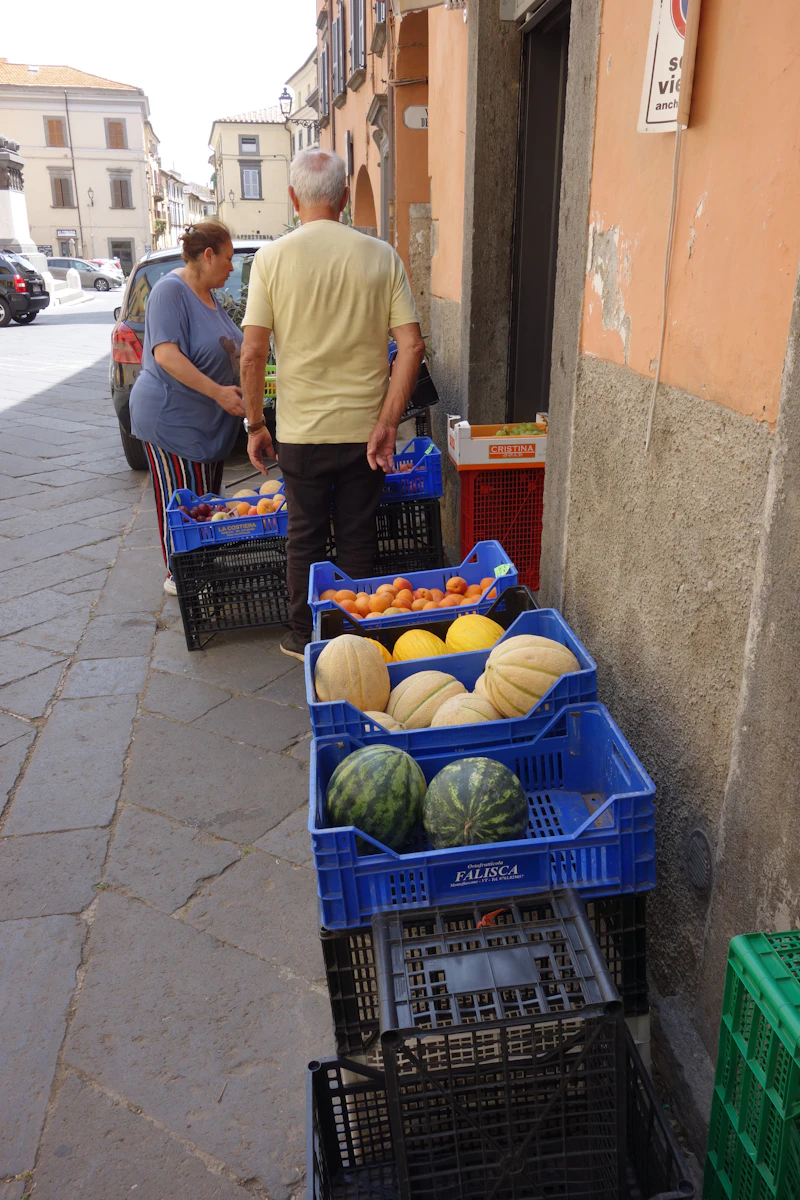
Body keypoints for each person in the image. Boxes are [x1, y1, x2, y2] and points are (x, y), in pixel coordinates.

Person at [240, 150, 425, 660]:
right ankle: (356, 638)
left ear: (294, 198)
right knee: (358, 538)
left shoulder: (272, 259)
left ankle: (305, 638)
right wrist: (388, 422)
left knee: (304, 536)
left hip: (300, 433)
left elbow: (253, 352)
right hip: (367, 433)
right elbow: (411, 345)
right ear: (344, 198)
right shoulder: (381, 255)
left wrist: (256, 423)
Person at [129, 220, 245, 593]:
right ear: (207, 255)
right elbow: (166, 356)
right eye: (227, 259)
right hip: (171, 419)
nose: (231, 266)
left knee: (205, 503)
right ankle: (181, 577)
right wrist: (220, 393)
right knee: (182, 500)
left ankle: (202, 569)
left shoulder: (211, 297)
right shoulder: (169, 291)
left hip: (206, 423)